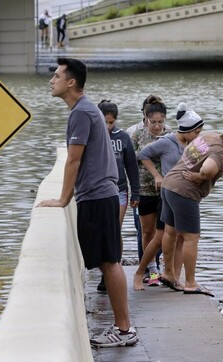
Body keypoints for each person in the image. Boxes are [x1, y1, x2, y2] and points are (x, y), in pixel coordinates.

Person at [38, 58, 137, 347]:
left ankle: (123, 330)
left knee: (109, 262)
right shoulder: (86, 109)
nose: (51, 80)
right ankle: (123, 328)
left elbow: (74, 159)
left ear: (71, 82)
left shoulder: (81, 112)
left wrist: (62, 199)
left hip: (96, 196)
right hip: (100, 195)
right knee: (108, 262)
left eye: (56, 76)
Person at [158, 121, 223, 297]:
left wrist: (194, 170)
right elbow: (208, 170)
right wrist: (199, 176)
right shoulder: (221, 154)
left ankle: (169, 274)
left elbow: (190, 150)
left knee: (170, 232)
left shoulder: (210, 136)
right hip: (185, 192)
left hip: (168, 184)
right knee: (191, 237)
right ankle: (191, 283)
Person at [132, 103, 204, 291]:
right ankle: (141, 272)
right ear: (187, 130)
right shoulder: (167, 141)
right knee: (159, 236)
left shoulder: (193, 146)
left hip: (183, 196)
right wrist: (157, 175)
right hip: (164, 193)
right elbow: (143, 154)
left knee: (181, 237)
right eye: (196, 132)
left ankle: (174, 276)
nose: (199, 136)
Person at [126, 95, 173, 283]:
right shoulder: (137, 134)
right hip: (143, 188)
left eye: (160, 122)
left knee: (162, 231)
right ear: (145, 118)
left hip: (164, 189)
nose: (156, 126)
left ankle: (158, 266)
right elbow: (130, 161)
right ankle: (150, 269)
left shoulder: (169, 134)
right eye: (153, 122)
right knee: (146, 232)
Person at [96, 100, 140, 292]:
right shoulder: (91, 136)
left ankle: (112, 271)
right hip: (96, 191)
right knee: (101, 232)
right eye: (104, 122)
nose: (107, 126)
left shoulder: (122, 138)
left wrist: (136, 192)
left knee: (114, 230)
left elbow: (131, 166)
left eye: (111, 122)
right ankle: (104, 269)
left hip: (119, 190)